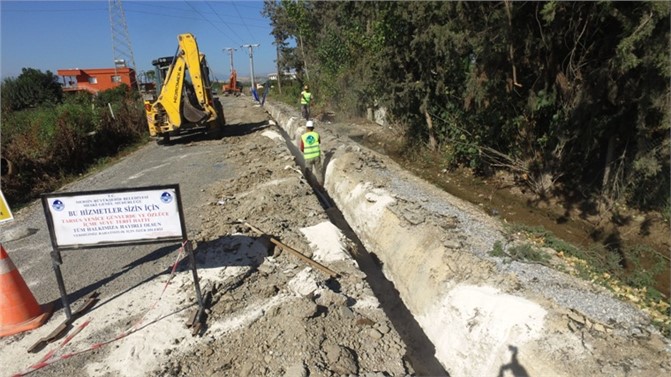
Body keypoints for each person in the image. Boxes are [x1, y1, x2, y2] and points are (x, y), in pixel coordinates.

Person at [300, 120, 322, 185]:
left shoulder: (303, 136)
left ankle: (310, 186)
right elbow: (319, 142)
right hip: (317, 156)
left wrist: (306, 151)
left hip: (308, 157)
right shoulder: (316, 135)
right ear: (313, 128)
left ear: (306, 128)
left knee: (308, 173)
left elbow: (302, 148)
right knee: (318, 172)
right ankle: (320, 186)